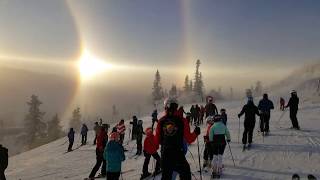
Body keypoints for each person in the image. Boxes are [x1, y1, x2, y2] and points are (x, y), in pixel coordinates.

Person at [154, 97, 201, 180]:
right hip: (178, 154)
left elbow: (156, 141)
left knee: (166, 177)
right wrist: (196, 133)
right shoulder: (182, 120)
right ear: (176, 107)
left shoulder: (161, 121)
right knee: (185, 175)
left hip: (165, 155)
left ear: (166, 107)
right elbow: (189, 139)